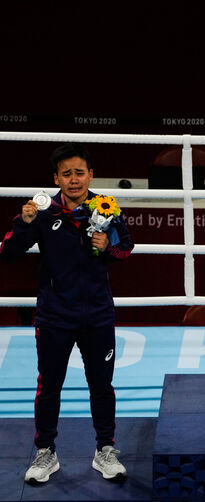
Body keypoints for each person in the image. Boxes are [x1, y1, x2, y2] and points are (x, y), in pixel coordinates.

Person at [0, 143, 134, 485]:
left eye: (79, 172)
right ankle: (45, 452)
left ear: (90, 174)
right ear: (56, 178)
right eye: (66, 174)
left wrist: (109, 248)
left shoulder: (107, 208)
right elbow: (10, 253)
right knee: (50, 387)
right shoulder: (43, 212)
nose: (73, 180)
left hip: (98, 314)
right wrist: (23, 221)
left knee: (101, 385)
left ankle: (105, 449)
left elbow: (125, 250)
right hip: (55, 315)